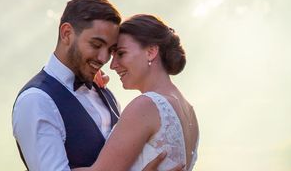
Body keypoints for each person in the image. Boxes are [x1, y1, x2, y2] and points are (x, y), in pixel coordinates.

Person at [12, 0, 180, 171]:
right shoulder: (36, 101)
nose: (104, 58)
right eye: (96, 45)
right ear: (66, 33)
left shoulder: (105, 93)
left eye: (111, 49)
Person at [72, 14, 199, 171]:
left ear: (151, 52)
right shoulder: (188, 111)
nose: (112, 65)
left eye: (121, 53)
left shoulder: (147, 105)